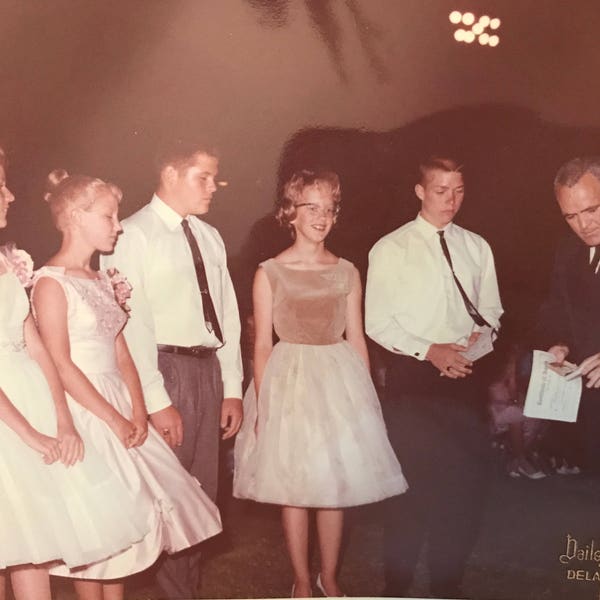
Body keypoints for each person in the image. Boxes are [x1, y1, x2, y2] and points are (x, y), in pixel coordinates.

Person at [31, 170, 222, 600]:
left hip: (118, 400)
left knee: (127, 528)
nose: (118, 226)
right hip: (86, 410)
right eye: (109, 217)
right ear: (77, 217)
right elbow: (60, 363)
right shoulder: (49, 282)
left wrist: (138, 409)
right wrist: (115, 420)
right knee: (98, 524)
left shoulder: (102, 279)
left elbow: (121, 352)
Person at [234, 169, 407, 598]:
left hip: (337, 378)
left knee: (334, 485)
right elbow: (260, 346)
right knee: (294, 485)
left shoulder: (346, 270)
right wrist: (266, 404)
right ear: (290, 213)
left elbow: (357, 337)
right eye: (311, 207)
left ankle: (328, 578)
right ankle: (300, 580)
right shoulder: (270, 271)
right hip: (289, 379)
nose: (321, 216)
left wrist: (366, 399)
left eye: (329, 208)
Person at [0, 149, 150, 600]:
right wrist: (29, 434)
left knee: (34, 549)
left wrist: (61, 420)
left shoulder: (8, 264)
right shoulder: (47, 278)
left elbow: (38, 346)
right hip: (11, 419)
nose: (9, 195)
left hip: (31, 402)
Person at [101, 140, 243, 598]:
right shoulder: (132, 235)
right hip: (164, 371)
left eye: (215, 178)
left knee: (201, 498)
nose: (213, 188)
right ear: (170, 176)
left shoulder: (209, 236)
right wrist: (157, 402)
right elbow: (131, 327)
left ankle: (188, 590)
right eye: (202, 177)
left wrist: (233, 387)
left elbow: (228, 316)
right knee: (170, 495)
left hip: (207, 373)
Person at [365, 157, 503, 598]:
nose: (451, 200)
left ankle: (447, 588)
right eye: (441, 190)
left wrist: (477, 346)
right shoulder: (391, 248)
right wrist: (431, 352)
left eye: (459, 190)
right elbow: (377, 323)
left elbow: (493, 312)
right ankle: (397, 588)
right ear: (420, 191)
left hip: (465, 381)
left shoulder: (477, 246)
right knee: (409, 497)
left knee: (462, 496)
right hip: (414, 383)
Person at [535, 155, 600, 475]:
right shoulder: (567, 251)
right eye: (571, 216)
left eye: (592, 209)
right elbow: (557, 309)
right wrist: (558, 344)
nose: (584, 225)